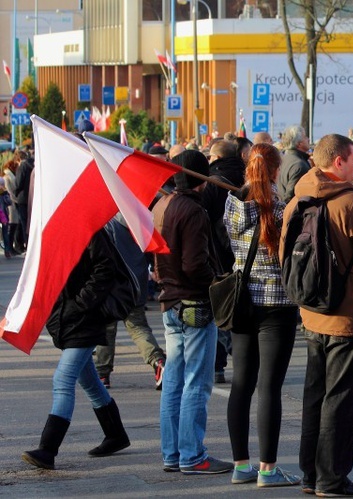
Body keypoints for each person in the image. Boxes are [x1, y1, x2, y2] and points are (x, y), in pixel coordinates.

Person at [280, 133, 353, 497]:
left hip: (312, 311)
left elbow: (284, 250)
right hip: (348, 315)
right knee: (342, 400)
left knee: (316, 395)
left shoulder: (298, 199)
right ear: (338, 162)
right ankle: (332, 478)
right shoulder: (350, 202)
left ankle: (311, 473)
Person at [223, 143, 301, 487]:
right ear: (273, 170)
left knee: (241, 383)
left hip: (241, 301)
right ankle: (268, 469)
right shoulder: (281, 209)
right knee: (269, 386)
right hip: (276, 303)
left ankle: (241, 465)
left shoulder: (232, 205)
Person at [22, 229, 130, 470]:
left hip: (85, 320)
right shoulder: (53, 227)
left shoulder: (91, 231)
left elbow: (105, 270)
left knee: (63, 380)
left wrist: (81, 303)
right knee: (90, 382)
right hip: (67, 319)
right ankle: (116, 435)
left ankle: (47, 450)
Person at [152, 150, 232, 475]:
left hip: (170, 301)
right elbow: (194, 265)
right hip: (194, 303)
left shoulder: (163, 204)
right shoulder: (193, 211)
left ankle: (173, 453)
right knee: (196, 383)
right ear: (200, 179)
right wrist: (217, 283)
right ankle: (192, 455)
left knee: (173, 379)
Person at [95, 215, 167, 390]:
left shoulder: (105, 221)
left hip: (113, 284)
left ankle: (103, 374)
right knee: (138, 327)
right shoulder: (134, 215)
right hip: (137, 280)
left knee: (106, 328)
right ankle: (158, 361)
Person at [203, 139, 247, 384]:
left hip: (218, 251)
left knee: (219, 306)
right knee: (239, 307)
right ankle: (242, 359)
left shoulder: (211, 183)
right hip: (243, 250)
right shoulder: (248, 177)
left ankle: (220, 365)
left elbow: (204, 216)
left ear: (216, 158)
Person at [277, 125, 311, 203]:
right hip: (293, 212)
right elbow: (291, 197)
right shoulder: (299, 165)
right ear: (299, 144)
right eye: (305, 137)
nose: (308, 139)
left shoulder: (281, 159)